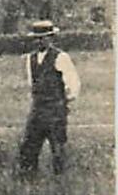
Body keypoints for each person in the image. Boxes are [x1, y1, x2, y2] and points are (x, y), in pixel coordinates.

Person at [18, 19, 81, 177]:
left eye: (44, 37)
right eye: (37, 38)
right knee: (28, 147)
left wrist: (64, 101)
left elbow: (73, 83)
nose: (40, 41)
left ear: (51, 38)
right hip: (38, 109)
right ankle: (29, 181)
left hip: (55, 110)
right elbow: (32, 82)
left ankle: (60, 182)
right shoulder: (30, 58)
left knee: (58, 148)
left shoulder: (61, 57)